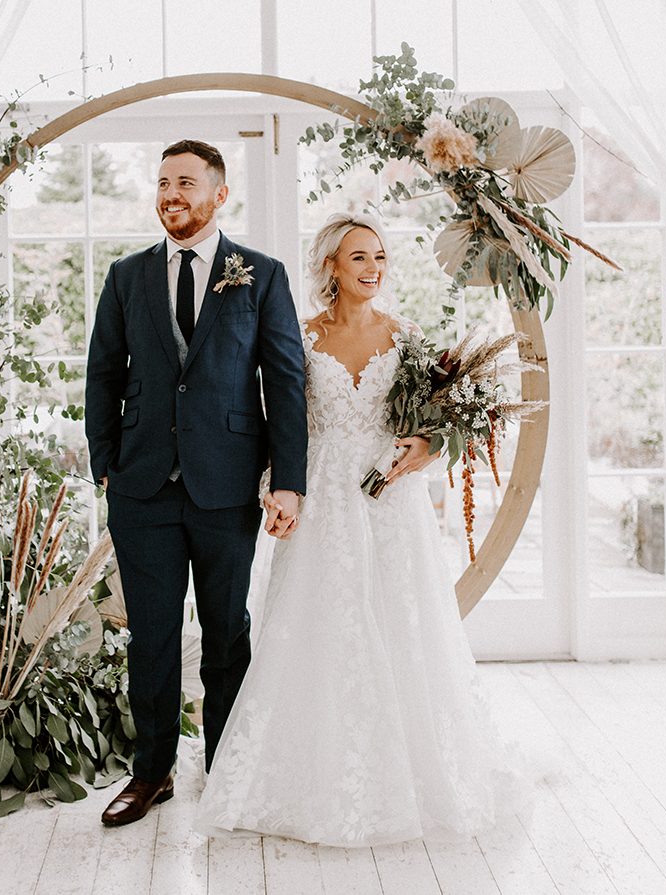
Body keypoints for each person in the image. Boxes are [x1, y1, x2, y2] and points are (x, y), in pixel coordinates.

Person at [195, 213, 530, 846]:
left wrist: (429, 443)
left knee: (401, 617)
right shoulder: (298, 335)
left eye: (379, 257)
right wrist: (277, 487)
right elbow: (281, 419)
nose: (373, 269)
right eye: (359, 259)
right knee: (322, 617)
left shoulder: (406, 336)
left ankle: (414, 771)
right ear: (331, 268)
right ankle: (303, 772)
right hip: (322, 491)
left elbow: (445, 414)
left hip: (389, 493)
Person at [85, 140, 308, 826]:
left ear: (219, 194)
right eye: (161, 182)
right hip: (142, 487)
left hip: (227, 485)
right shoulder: (126, 276)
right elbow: (104, 374)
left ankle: (228, 768)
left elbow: (286, 379)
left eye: (185, 181)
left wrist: (288, 480)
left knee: (225, 634)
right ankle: (151, 772)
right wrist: (106, 463)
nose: (170, 193)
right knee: (149, 638)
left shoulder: (260, 276)